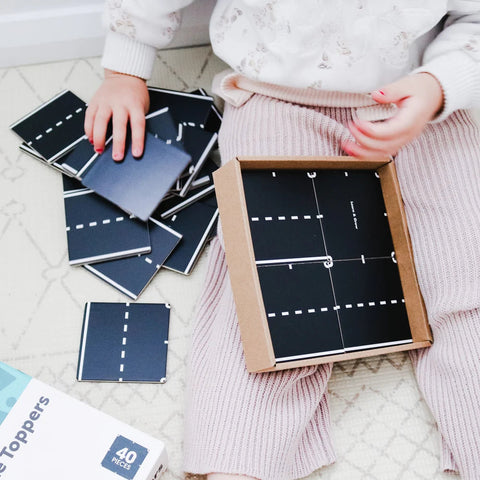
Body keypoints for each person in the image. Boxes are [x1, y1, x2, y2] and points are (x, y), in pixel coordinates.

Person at [85, 2, 480, 479]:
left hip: (417, 101)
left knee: (466, 273)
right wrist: (125, 69)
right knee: (269, 295)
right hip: (276, 97)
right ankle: (241, 461)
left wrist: (441, 85)